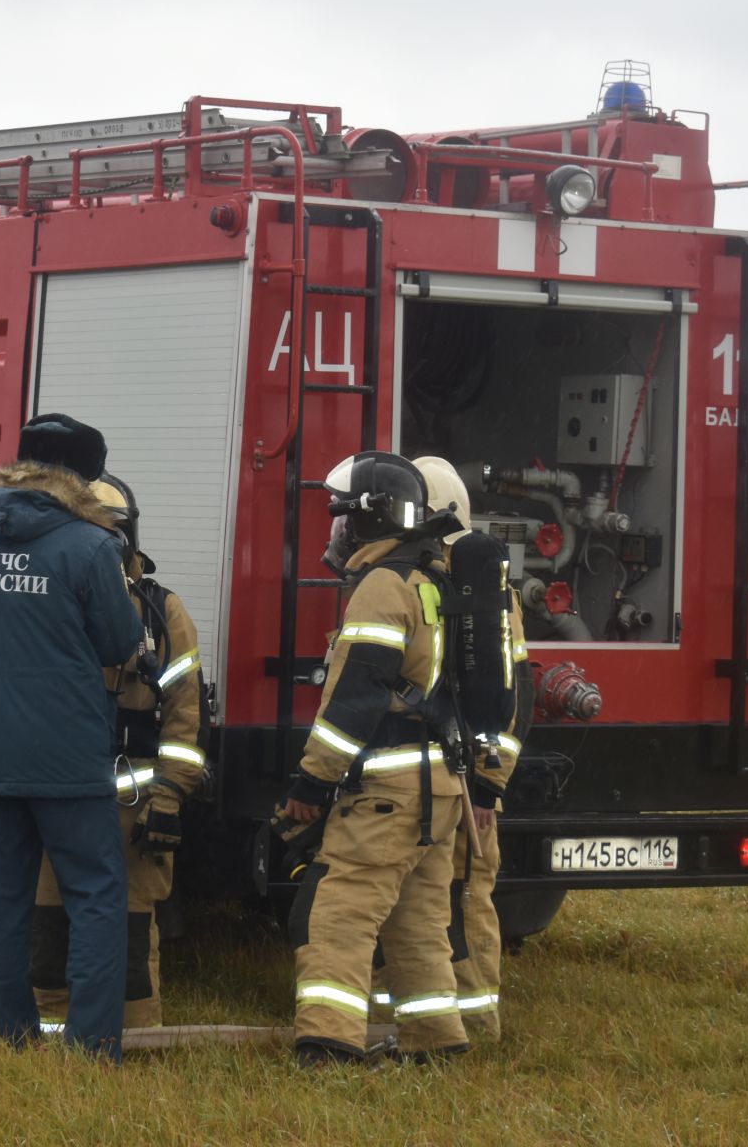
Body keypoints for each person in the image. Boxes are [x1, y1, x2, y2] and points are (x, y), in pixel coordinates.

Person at [0, 413, 143, 1061]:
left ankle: (11, 1038)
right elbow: (120, 643)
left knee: (3, 903)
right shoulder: (90, 548)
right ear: (82, 477)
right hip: (66, 759)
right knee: (94, 895)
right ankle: (90, 1050)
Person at [282, 451, 471, 1066]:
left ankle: (329, 1045)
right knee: (418, 922)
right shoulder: (428, 580)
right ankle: (436, 1042)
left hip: (389, 786)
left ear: (371, 519)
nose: (336, 534)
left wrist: (310, 782)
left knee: (340, 912)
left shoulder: (382, 586)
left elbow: (354, 700)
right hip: (436, 785)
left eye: (343, 519)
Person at [30, 474, 208, 1032]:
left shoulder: (162, 613)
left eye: (112, 536)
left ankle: (135, 1037)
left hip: (133, 799)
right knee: (49, 925)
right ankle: (50, 1033)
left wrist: (171, 800)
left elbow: (184, 715)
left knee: (131, 931)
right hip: (59, 795)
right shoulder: (47, 603)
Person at [406, 455, 529, 1043]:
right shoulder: (470, 583)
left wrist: (486, 785)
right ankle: (439, 1019)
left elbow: (509, 698)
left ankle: (473, 1023)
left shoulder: (470, 589)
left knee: (457, 897)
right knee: (447, 899)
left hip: (457, 779)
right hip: (447, 775)